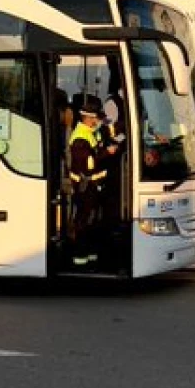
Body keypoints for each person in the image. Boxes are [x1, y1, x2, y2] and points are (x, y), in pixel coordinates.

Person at [68, 94, 118, 267]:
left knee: (92, 220)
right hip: (85, 186)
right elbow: (89, 165)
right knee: (83, 221)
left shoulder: (90, 132)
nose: (98, 122)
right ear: (88, 118)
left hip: (93, 185)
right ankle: (79, 257)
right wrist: (107, 152)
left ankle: (89, 254)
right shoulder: (80, 137)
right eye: (97, 119)